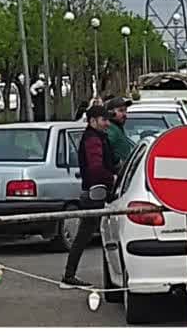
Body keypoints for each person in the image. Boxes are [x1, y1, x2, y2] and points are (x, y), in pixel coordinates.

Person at [61, 105, 116, 288]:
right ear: (93, 121)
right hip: (95, 193)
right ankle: (69, 275)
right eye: (104, 120)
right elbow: (95, 168)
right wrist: (113, 178)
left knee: (88, 234)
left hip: (96, 192)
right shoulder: (93, 140)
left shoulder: (98, 137)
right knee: (86, 234)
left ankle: (70, 274)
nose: (107, 124)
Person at [103, 96, 135, 167]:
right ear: (110, 112)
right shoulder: (110, 129)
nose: (124, 114)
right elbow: (104, 149)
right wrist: (117, 162)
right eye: (121, 110)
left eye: (125, 110)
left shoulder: (117, 128)